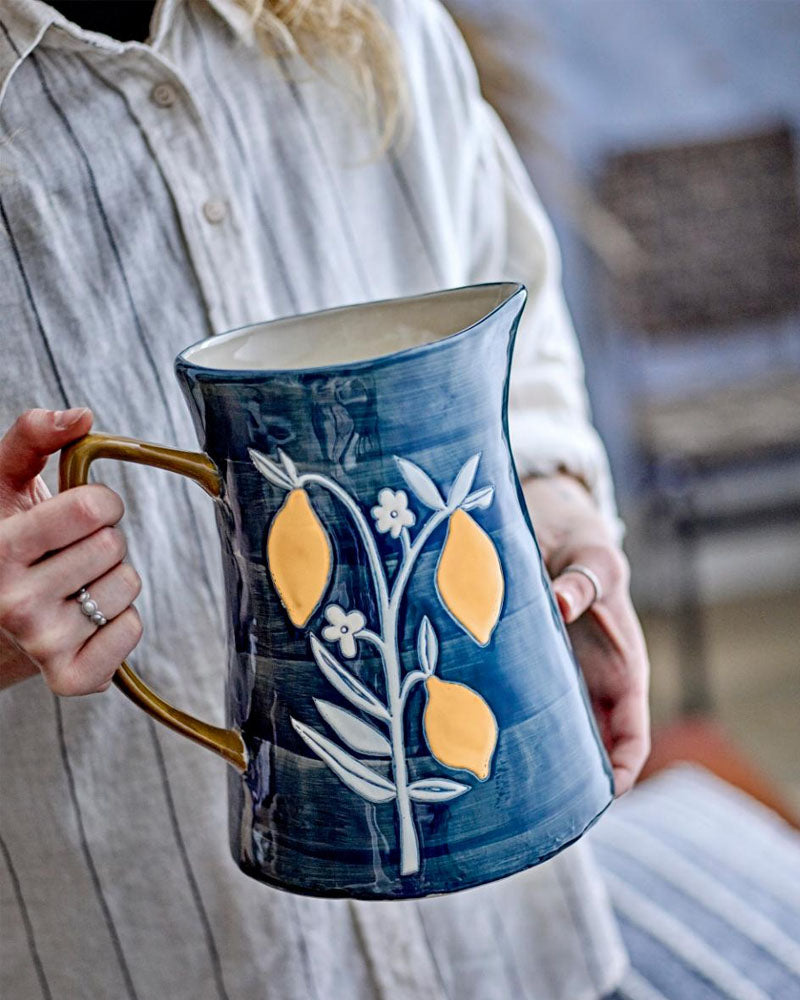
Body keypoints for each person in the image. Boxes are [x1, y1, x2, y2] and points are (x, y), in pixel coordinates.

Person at [0, 1, 650, 997]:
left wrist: (553, 516)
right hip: (153, 955)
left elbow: (518, 334)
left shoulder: (381, 20)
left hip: (515, 950)